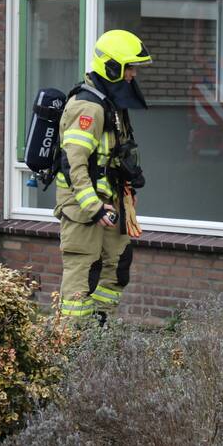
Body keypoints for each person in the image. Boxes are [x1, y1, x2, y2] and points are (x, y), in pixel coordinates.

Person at [55, 29, 151, 323]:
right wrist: (93, 206)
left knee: (118, 265)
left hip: (110, 202)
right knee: (84, 272)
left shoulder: (111, 104)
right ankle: (71, 341)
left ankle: (99, 330)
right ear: (112, 67)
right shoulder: (88, 107)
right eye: (129, 67)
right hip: (85, 208)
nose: (133, 74)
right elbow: (75, 164)